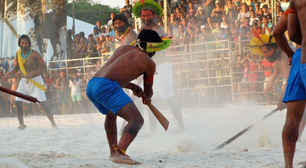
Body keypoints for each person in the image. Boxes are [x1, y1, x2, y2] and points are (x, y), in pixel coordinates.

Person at [86, 29, 171, 165]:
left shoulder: (124, 48)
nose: (155, 53)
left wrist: (132, 86)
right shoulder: (148, 62)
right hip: (107, 86)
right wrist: (147, 97)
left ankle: (114, 152)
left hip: (92, 84)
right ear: (150, 47)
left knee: (110, 114)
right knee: (136, 119)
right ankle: (120, 152)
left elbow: (114, 73)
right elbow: (148, 92)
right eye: (155, 49)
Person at [133, 0, 185, 131]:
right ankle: (153, 130)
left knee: (167, 95)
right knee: (151, 98)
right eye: (143, 16)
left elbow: (162, 46)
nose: (146, 18)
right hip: (151, 68)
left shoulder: (158, 29)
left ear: (154, 15)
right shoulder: (143, 28)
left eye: (148, 15)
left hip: (161, 67)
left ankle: (182, 126)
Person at [273, 6, 306, 168]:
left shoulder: (296, 2)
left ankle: (288, 165)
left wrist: (291, 54)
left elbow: (280, 32)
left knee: (292, 119)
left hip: (300, 57)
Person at [2, 35, 57, 129]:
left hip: (36, 81)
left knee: (43, 103)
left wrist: (32, 73)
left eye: (26, 43)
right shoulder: (18, 54)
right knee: (18, 102)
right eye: (22, 43)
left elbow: (44, 67)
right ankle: (21, 124)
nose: (24, 44)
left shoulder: (35, 54)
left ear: (29, 44)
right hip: (24, 81)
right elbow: (17, 67)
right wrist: (8, 74)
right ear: (19, 44)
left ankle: (53, 124)